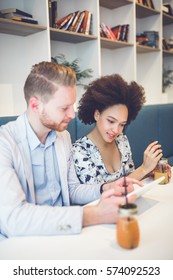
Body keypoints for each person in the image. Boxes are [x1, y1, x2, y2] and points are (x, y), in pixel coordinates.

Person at [0, 62, 142, 238]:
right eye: (64, 108)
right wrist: (94, 214)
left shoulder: (63, 137)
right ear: (36, 105)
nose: (72, 114)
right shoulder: (4, 144)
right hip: (24, 242)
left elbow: (73, 190)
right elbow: (13, 219)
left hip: (65, 235)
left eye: (72, 105)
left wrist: (107, 187)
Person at [72, 74, 171, 186]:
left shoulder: (121, 140)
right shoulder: (80, 151)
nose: (116, 130)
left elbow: (130, 177)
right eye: (111, 121)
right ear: (97, 114)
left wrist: (149, 171)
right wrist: (143, 168)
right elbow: (100, 194)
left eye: (122, 124)